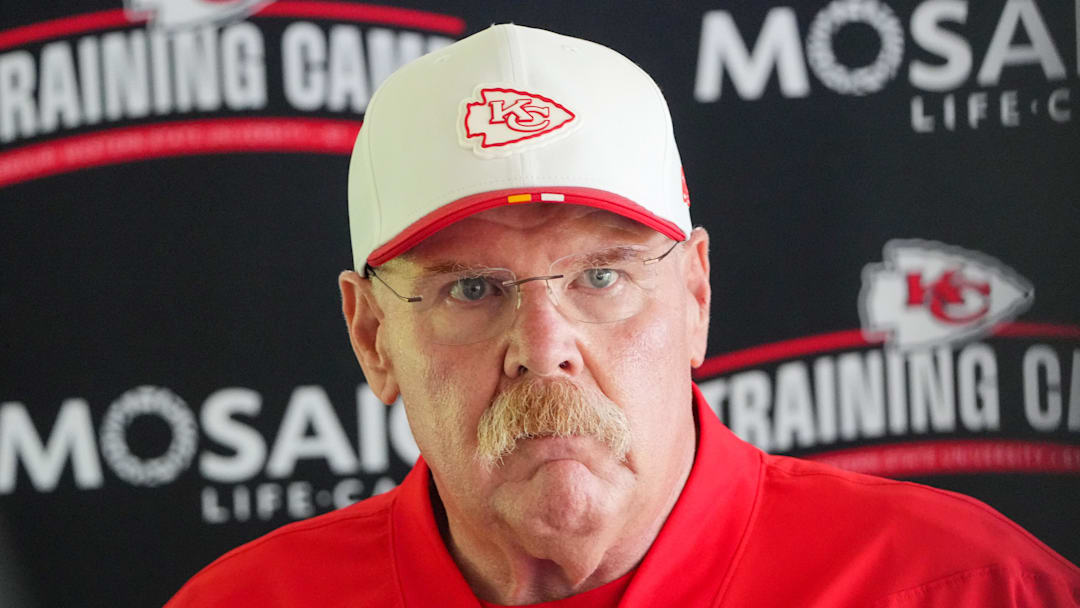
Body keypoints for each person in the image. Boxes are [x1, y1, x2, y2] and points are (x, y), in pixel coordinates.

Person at [167, 24, 1080, 607]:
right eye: (472, 289)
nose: (544, 348)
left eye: (600, 276)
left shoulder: (968, 589)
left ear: (694, 295)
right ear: (372, 336)